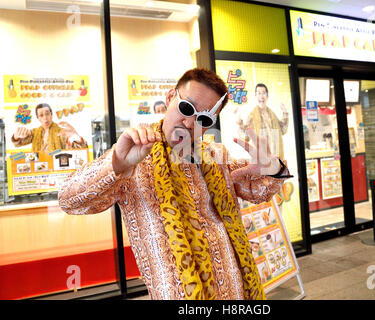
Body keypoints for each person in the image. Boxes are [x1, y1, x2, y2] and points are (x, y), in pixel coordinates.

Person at [58, 68, 291, 300]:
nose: (190, 123)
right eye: (186, 108)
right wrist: (117, 164)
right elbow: (70, 201)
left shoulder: (215, 155)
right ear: (170, 97)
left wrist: (272, 169)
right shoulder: (135, 158)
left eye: (204, 118)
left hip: (236, 291)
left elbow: (255, 190)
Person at [237, 83, 289, 159]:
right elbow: (246, 137)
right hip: (262, 160)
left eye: (264, 93)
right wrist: (239, 123)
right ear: (255, 96)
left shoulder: (272, 114)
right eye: (258, 93)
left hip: (276, 158)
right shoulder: (252, 115)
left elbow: (283, 130)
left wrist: (285, 113)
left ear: (267, 96)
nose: (261, 96)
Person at [11, 103, 87, 153]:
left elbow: (81, 150)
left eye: (47, 114)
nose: (45, 118)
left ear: (51, 115)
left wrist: (75, 136)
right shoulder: (34, 132)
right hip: (38, 169)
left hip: (57, 171)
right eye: (41, 115)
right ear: (38, 118)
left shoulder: (61, 132)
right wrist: (16, 136)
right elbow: (18, 143)